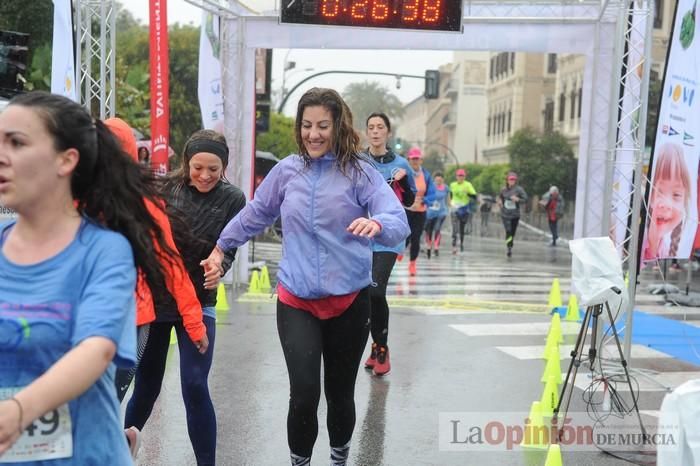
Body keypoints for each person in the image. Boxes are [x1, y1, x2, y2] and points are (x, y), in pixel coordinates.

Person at [201, 88, 409, 466]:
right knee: (304, 392)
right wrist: (221, 246)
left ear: (338, 127)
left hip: (349, 300)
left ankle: (338, 458)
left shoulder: (359, 171)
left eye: (323, 126)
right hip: (296, 300)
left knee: (340, 393)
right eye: (307, 125)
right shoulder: (287, 170)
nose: (314, 134)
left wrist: (377, 222)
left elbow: (397, 220)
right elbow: (256, 214)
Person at [0, 91, 182, 464]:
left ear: (66, 160)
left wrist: (18, 412)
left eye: (17, 142)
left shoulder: (105, 250)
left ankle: (124, 442)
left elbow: (94, 351)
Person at [124, 129, 246, 466]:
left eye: (213, 170)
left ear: (224, 168)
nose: (205, 176)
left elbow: (229, 247)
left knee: (194, 383)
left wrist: (219, 267)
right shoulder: (163, 189)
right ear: (186, 163)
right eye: (197, 168)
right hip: (159, 300)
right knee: (147, 384)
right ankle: (115, 454)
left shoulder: (234, 198)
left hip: (201, 299)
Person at [104, 117, 209, 456]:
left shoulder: (145, 203)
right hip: (83, 320)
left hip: (133, 322)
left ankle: (118, 446)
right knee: (81, 406)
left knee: (106, 401)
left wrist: (194, 323)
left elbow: (171, 264)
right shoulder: (70, 197)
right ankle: (120, 445)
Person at [362, 112, 415, 377]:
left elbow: (409, 201)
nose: (375, 131)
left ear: (388, 133)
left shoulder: (401, 164)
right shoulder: (357, 161)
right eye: (371, 127)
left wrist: (404, 181)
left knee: (375, 292)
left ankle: (382, 348)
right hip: (359, 235)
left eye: (380, 127)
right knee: (361, 294)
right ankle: (374, 346)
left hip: (387, 238)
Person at [642, 142, 691, 262]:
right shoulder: (637, 241)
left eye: (676, 195)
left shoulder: (663, 248)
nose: (666, 205)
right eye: (659, 192)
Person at [405, 147, 435, 276]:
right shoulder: (404, 174)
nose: (415, 161)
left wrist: (424, 200)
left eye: (417, 159)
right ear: (408, 160)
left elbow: (433, 194)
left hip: (420, 211)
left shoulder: (427, 176)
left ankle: (412, 263)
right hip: (406, 210)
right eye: (413, 159)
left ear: (421, 160)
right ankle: (400, 251)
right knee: (405, 235)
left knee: (416, 237)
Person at [498, 171, 528, 257]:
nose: (512, 181)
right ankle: (509, 247)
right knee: (508, 231)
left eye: (513, 180)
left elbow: (525, 199)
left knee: (513, 232)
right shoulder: (503, 189)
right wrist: (500, 202)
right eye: (510, 180)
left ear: (516, 181)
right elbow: (500, 197)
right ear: (507, 180)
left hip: (515, 214)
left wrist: (518, 199)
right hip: (505, 214)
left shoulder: (519, 189)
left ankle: (511, 242)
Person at [449, 168, 477, 254]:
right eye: (459, 176)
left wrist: (467, 193)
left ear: (464, 176)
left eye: (462, 176)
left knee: (461, 228)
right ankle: (454, 245)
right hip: (454, 208)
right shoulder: (452, 185)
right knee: (454, 226)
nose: (460, 177)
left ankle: (461, 243)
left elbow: (474, 196)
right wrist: (450, 202)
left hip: (464, 209)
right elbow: (450, 195)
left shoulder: (468, 185)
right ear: (456, 176)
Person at [424, 172, 449, 258]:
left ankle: (436, 247)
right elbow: (425, 196)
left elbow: (448, 199)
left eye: (440, 179)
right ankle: (429, 245)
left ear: (443, 179)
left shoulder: (446, 188)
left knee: (437, 228)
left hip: (441, 212)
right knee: (429, 230)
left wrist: (449, 207)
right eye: (437, 179)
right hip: (430, 212)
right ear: (434, 179)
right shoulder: (430, 186)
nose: (439, 181)